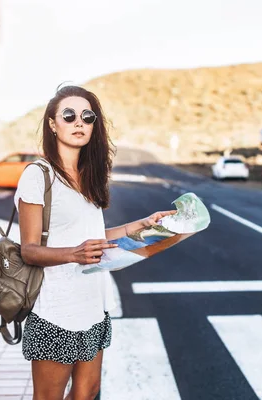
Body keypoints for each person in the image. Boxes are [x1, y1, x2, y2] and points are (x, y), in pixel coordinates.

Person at [14, 85, 176, 400]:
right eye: (69, 115)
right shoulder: (39, 175)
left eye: (87, 117)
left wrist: (141, 224)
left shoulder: (89, 175)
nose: (79, 123)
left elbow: (96, 239)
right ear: (52, 124)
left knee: (88, 393)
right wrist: (73, 254)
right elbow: (28, 250)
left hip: (91, 305)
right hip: (54, 311)